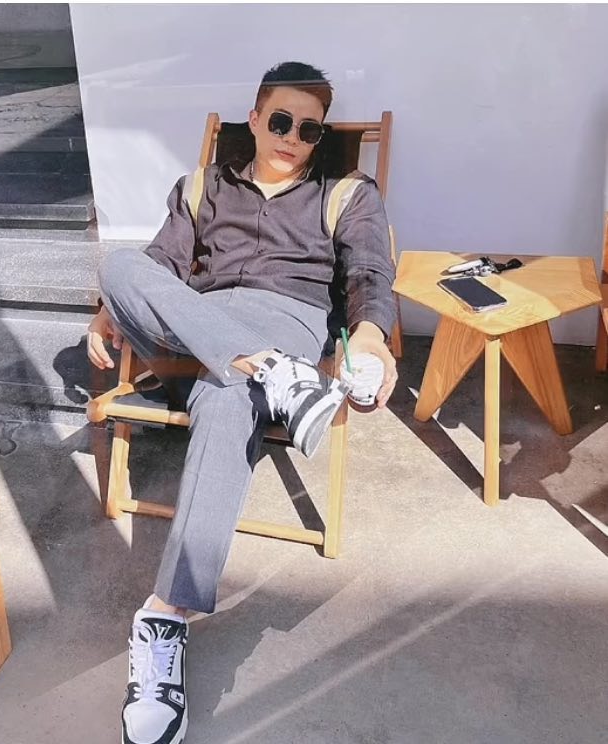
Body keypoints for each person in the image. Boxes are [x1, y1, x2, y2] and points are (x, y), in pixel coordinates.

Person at [87, 61, 398, 744]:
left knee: (229, 399)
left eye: (309, 130)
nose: (292, 138)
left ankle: (165, 616)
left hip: (286, 319)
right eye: (280, 121)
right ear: (254, 118)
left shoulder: (346, 193)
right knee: (117, 262)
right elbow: (158, 268)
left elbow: (370, 274)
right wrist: (111, 309)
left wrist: (372, 338)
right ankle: (272, 374)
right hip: (194, 332)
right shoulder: (201, 186)